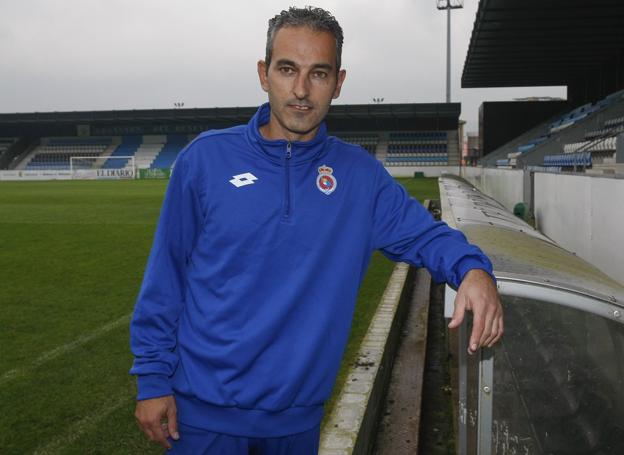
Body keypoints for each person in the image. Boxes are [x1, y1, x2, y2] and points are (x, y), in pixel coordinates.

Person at [130, 6, 503, 454]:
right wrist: (152, 379)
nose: (302, 90)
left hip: (297, 423)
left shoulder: (360, 177)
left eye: (319, 74)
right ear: (263, 73)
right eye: (287, 69)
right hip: (202, 416)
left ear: (339, 82)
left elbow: (426, 235)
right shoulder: (204, 161)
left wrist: (472, 270)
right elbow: (165, 277)